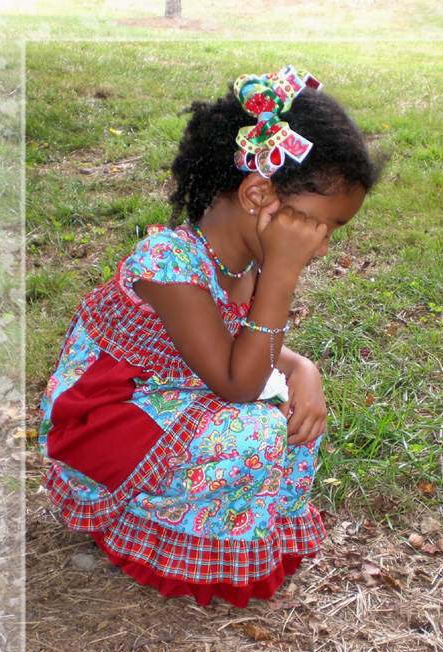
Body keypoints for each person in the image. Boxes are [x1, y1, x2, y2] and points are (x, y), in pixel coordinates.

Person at [39, 65, 381, 608]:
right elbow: (236, 384)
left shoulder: (245, 257)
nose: (320, 247)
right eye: (319, 226)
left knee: (292, 410)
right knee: (254, 430)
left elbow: (243, 346)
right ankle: (144, 526)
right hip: (112, 414)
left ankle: (239, 535)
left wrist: (302, 368)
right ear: (257, 194)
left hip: (183, 389)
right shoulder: (168, 264)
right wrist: (281, 277)